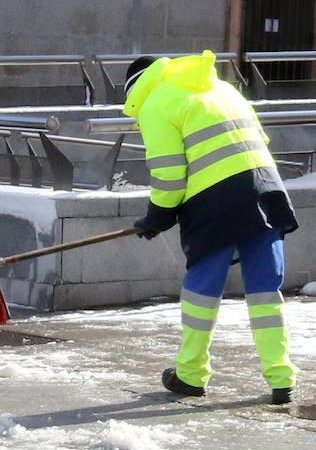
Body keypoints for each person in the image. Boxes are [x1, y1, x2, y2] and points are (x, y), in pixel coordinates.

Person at [123, 50, 298, 405]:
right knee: (266, 292)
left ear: (134, 89)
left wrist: (157, 216)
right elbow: (257, 142)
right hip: (265, 190)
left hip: (215, 204)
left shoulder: (157, 101)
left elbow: (170, 174)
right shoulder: (220, 88)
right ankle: (281, 377)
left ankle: (190, 374)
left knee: (202, 292)